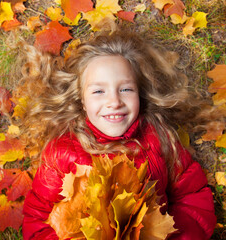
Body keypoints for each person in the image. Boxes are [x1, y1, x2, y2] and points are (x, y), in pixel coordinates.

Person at [18, 29, 219, 239]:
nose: (114, 102)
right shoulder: (62, 153)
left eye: (125, 90)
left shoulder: (159, 139)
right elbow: (38, 218)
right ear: (82, 102)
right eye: (98, 91)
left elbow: (191, 197)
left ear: (141, 94)